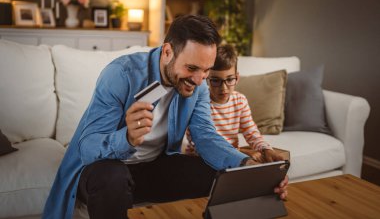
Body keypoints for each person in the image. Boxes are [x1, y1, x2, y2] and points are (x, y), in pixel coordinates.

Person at [42, 15, 288, 219]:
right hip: (102, 170)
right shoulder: (121, 74)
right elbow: (87, 148)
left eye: (205, 71)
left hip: (151, 168)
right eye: (191, 68)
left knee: (217, 174)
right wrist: (126, 138)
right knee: (112, 177)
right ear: (168, 51)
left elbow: (206, 137)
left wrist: (247, 168)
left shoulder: (199, 84)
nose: (198, 80)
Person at [185, 44, 284, 162]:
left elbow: (252, 133)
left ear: (237, 77)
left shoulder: (240, 101)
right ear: (207, 78)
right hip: (201, 157)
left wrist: (266, 149)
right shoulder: (201, 103)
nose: (223, 88)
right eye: (216, 80)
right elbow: (201, 142)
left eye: (230, 79)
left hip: (232, 155)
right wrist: (242, 151)